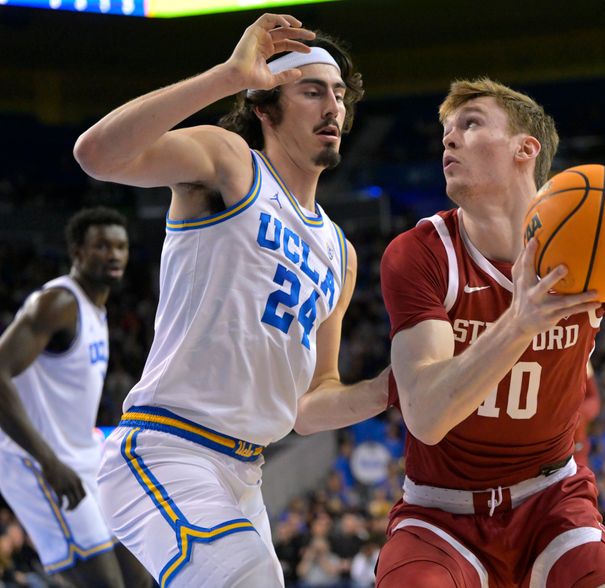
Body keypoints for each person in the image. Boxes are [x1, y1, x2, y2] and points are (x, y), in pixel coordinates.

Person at [73, 13, 387, 587]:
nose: (332, 108)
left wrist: (394, 389)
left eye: (339, 94)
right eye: (312, 91)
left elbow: (312, 404)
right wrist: (226, 75)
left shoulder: (341, 255)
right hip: (167, 448)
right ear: (266, 106)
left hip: (245, 475)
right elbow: (98, 154)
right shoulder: (230, 163)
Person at [376, 78, 605, 588]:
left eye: (469, 124)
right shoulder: (422, 253)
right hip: (440, 513)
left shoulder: (589, 242)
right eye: (445, 130)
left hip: (552, 500)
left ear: (524, 149)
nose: (448, 138)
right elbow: (426, 416)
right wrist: (519, 323)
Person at [0, 207, 151, 588]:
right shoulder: (57, 304)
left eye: (120, 246)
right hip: (32, 459)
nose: (114, 254)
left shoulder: (96, 309)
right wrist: (48, 460)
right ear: (77, 252)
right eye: (101, 246)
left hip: (79, 453)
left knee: (138, 575)